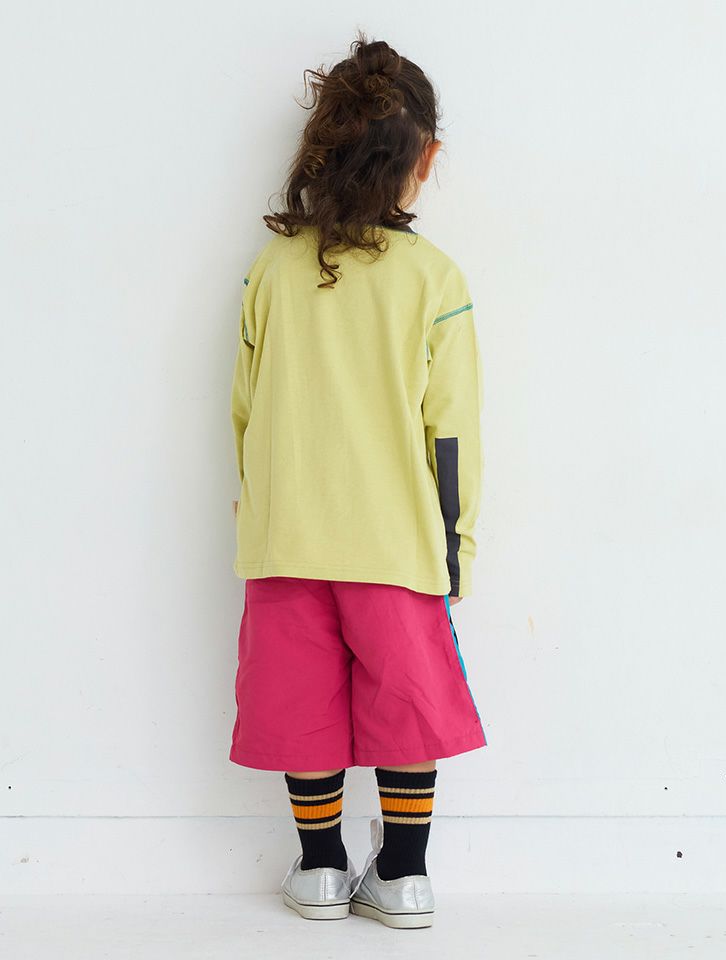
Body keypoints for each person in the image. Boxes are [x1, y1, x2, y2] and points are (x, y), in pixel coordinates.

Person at [228, 31, 487, 929]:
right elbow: (452, 433)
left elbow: (244, 413)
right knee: (406, 703)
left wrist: (258, 515)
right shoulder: (434, 279)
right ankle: (404, 876)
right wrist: (455, 544)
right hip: (397, 542)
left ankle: (319, 869)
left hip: (286, 538)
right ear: (427, 160)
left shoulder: (272, 270)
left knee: (299, 701)